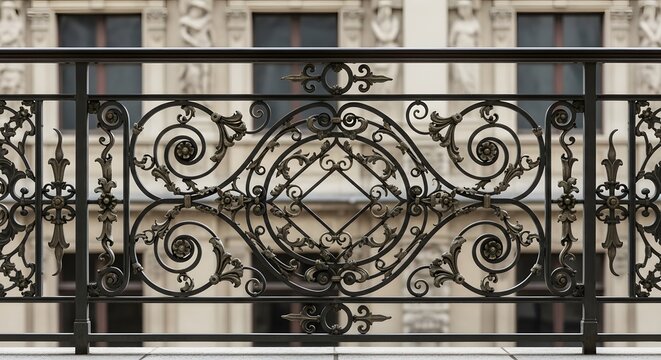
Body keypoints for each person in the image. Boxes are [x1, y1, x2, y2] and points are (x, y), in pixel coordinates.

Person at [180, 0, 212, 94]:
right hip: (193, 50)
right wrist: (194, 42)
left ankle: (205, 94)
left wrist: (208, 45)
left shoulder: (206, 21)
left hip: (205, 49)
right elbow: (184, 34)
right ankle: (195, 94)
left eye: (199, 10)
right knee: (193, 73)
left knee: (206, 72)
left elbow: (211, 36)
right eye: (195, 9)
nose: (196, 12)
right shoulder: (186, 21)